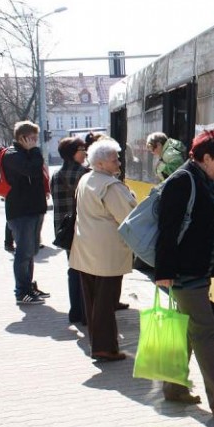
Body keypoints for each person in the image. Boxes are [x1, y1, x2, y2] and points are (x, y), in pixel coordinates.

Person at [154, 129, 214, 415]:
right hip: (183, 272)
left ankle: (173, 387)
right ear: (206, 157)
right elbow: (168, 230)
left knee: (188, 328)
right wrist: (164, 271)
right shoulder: (183, 181)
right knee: (206, 332)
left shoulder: (207, 183)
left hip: (197, 270)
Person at [69, 138, 137, 361]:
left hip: (85, 250)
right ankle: (105, 348)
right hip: (107, 253)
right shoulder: (110, 185)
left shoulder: (86, 179)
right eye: (114, 159)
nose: (118, 163)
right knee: (105, 303)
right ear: (100, 164)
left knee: (93, 302)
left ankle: (98, 345)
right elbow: (127, 217)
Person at [2, 121, 50, 305]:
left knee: (31, 251)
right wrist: (35, 151)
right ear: (22, 138)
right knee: (23, 253)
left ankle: (29, 286)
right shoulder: (12, 155)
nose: (35, 142)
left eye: (36, 138)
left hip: (34, 209)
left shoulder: (27, 154)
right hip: (21, 212)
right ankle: (21, 292)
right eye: (32, 138)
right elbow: (32, 169)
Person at [50, 137, 89, 324]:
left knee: (73, 269)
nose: (85, 152)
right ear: (72, 153)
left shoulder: (56, 175)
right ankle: (86, 313)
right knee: (87, 271)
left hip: (65, 230)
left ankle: (75, 311)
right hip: (83, 228)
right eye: (82, 149)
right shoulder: (84, 174)